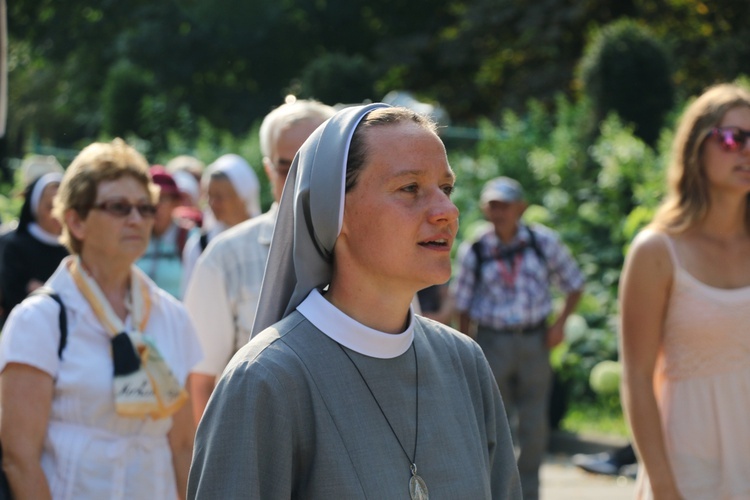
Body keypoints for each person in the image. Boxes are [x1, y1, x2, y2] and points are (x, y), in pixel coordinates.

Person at [188, 104, 522, 498]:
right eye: (410, 188)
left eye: (446, 189)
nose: (447, 212)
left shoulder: (465, 364)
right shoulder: (266, 380)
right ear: (335, 211)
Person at [0, 138, 203, 499]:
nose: (137, 219)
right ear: (76, 221)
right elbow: (19, 458)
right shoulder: (39, 321)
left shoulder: (172, 317)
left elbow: (185, 444)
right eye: (119, 207)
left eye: (145, 207)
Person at [620, 82, 750, 499]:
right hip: (688, 474)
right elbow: (637, 378)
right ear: (697, 146)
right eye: (734, 137)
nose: (746, 150)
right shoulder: (657, 251)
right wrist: (663, 486)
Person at [184, 99, 334, 423]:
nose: (302, 177)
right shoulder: (226, 258)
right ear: (268, 170)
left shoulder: (373, 250)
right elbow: (201, 379)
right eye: (287, 167)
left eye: (317, 162)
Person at [452, 176, 584, 500]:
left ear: (521, 208)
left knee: (534, 423)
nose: (499, 212)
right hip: (492, 342)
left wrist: (559, 325)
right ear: (485, 209)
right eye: (493, 205)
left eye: (505, 205)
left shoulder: (542, 242)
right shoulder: (477, 249)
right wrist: (468, 346)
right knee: (493, 422)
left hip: (534, 340)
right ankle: (497, 491)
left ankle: (530, 492)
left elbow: (574, 282)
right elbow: (462, 304)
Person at [180, 154, 261, 294]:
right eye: (209, 195)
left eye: (220, 197)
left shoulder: (266, 240)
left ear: (243, 196)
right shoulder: (199, 245)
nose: (212, 203)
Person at [0, 172, 68, 318]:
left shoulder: (73, 248)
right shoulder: (15, 246)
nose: (56, 214)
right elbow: (11, 295)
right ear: (35, 206)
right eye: (49, 207)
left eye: (61, 207)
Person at [136, 165, 186, 298]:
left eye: (162, 198)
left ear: (175, 202)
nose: (156, 206)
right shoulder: (132, 237)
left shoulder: (190, 239)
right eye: (150, 199)